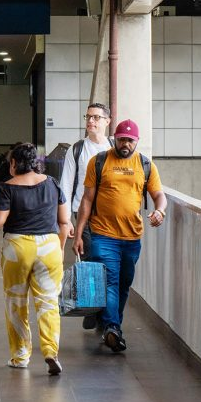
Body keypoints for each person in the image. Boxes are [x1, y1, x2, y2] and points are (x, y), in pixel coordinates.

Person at [73, 119, 166, 353]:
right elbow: (87, 199)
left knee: (124, 283)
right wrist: (79, 234)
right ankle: (113, 327)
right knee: (111, 281)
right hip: (103, 235)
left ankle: (111, 325)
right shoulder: (99, 161)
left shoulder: (146, 165)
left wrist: (160, 210)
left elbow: (159, 195)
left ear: (137, 141)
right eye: (121, 139)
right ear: (114, 138)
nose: (125, 144)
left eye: (130, 140)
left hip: (132, 237)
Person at [0, 143, 71, 375]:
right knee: (48, 302)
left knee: (16, 303)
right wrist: (60, 247)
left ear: (14, 163)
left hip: (18, 249)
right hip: (49, 247)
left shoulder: (7, 187)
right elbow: (64, 221)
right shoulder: (52, 183)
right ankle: (50, 351)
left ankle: (20, 356)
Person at [59, 103, 113, 259]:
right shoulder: (77, 149)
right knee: (89, 258)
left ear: (107, 121)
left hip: (109, 213)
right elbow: (66, 185)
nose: (90, 121)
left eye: (96, 117)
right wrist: (66, 219)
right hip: (83, 212)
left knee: (107, 258)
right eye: (88, 117)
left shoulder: (113, 148)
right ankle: (91, 284)